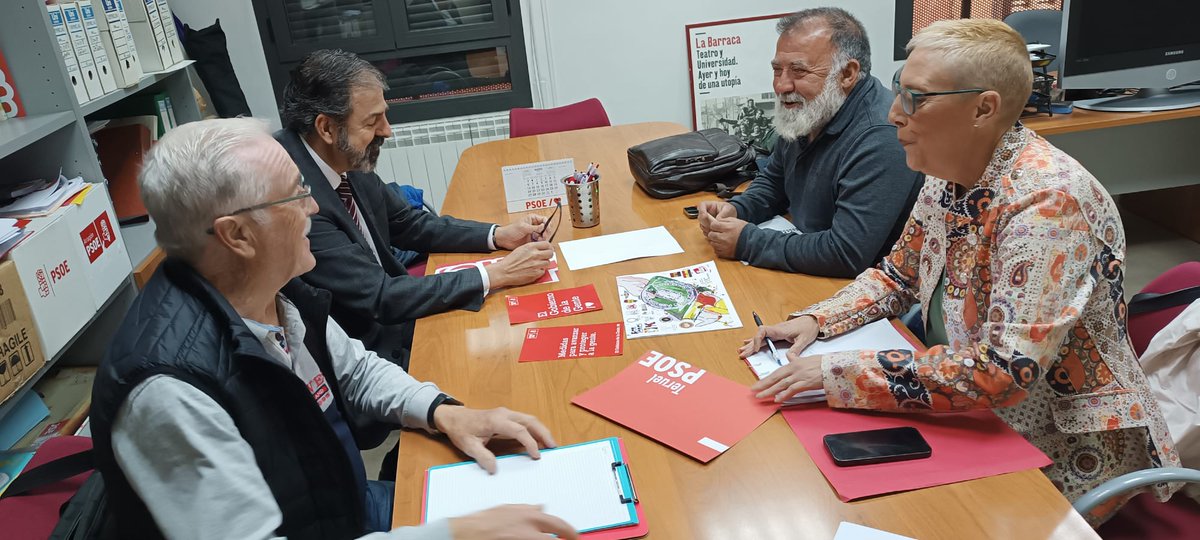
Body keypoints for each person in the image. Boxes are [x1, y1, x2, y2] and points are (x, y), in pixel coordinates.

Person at [741, 19, 1180, 526]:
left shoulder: (1047, 205)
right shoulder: (950, 170)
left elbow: (1001, 373)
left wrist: (836, 371)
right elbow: (898, 276)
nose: (893, 114)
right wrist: (816, 321)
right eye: (898, 93)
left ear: (983, 108)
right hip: (971, 411)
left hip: (1059, 447)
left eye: (915, 99)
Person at [89, 118, 577, 540]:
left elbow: (355, 370)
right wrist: (455, 532)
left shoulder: (275, 286)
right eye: (296, 195)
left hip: (342, 507)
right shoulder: (170, 389)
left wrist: (444, 411)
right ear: (236, 235)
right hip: (332, 524)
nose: (316, 208)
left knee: (549, 506)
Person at [278, 49, 554, 373]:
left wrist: (497, 235)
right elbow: (379, 297)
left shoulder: (344, 155)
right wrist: (497, 274)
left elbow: (408, 223)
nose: (387, 131)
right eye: (372, 121)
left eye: (384, 114)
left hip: (401, 315)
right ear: (326, 128)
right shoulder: (294, 198)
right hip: (371, 355)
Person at [698, 8, 922, 278]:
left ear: (848, 74)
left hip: (863, 290)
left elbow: (847, 253)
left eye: (798, 71)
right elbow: (774, 182)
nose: (782, 85)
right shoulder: (812, 109)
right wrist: (737, 209)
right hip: (809, 264)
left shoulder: (883, 135)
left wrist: (746, 241)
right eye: (777, 70)